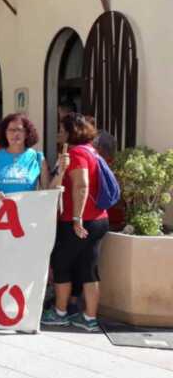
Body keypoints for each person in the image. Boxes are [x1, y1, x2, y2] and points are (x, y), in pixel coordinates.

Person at [41, 112, 108, 332]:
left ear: (72, 131)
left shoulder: (77, 152)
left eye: (62, 129)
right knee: (89, 268)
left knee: (62, 265)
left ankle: (60, 313)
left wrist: (77, 218)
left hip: (77, 220)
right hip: (99, 218)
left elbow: (81, 185)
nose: (59, 133)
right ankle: (89, 318)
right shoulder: (92, 151)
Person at [0, 113, 64, 196]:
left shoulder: (37, 158)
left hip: (29, 208)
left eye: (19, 130)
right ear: (4, 133)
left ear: (27, 133)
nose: (15, 134)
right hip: (0, 208)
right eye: (11, 130)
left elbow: (48, 191)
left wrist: (61, 170)